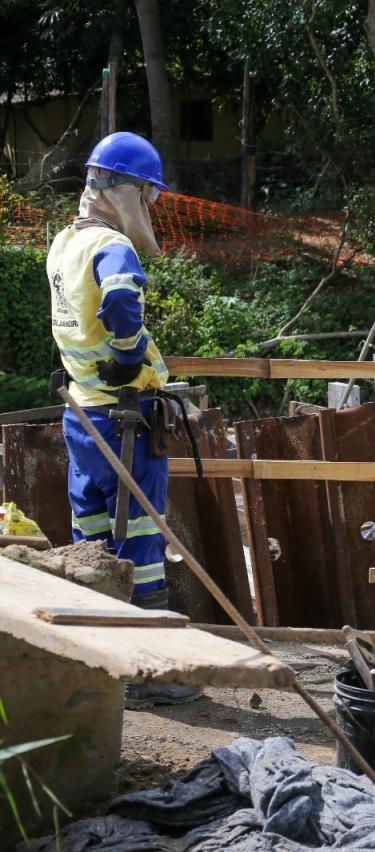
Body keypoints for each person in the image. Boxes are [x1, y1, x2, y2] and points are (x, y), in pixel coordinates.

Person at [48, 131, 201, 707]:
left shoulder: (64, 241)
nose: (151, 206)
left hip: (83, 414)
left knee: (90, 536)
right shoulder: (112, 246)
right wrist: (130, 355)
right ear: (125, 190)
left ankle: (101, 662)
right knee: (139, 531)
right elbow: (118, 303)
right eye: (149, 195)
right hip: (123, 416)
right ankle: (150, 675)